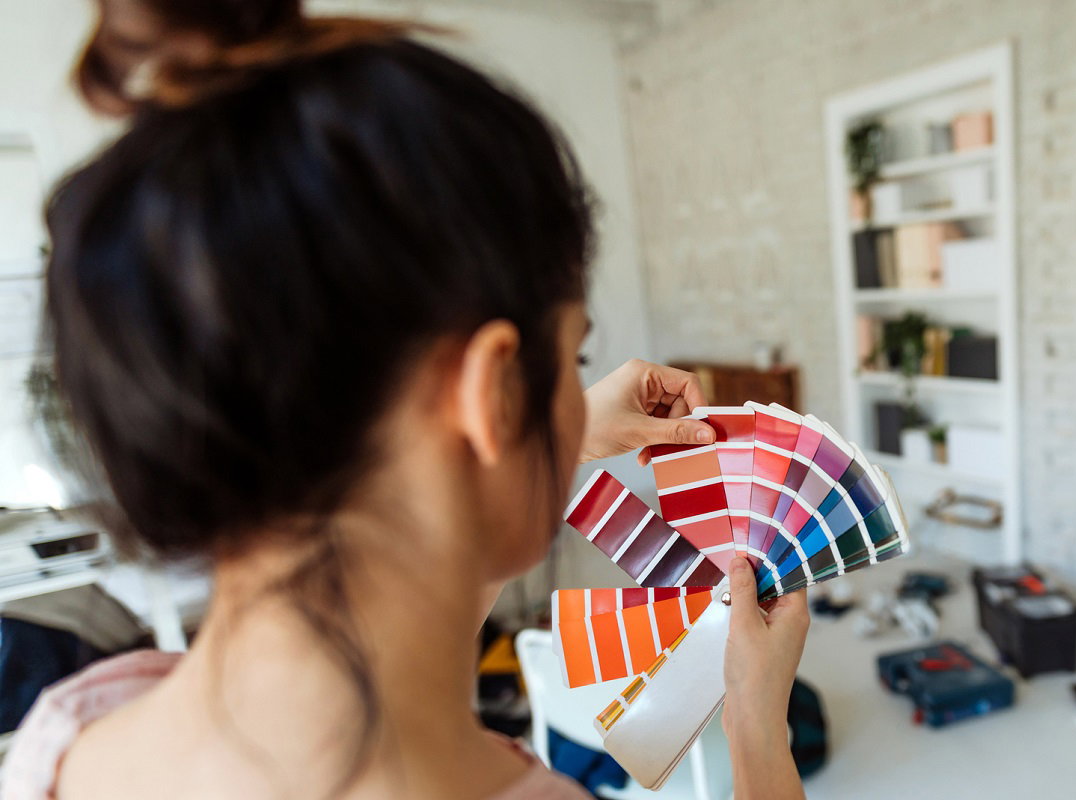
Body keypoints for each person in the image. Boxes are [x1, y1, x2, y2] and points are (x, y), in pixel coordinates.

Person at [1, 3, 810, 798]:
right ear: (489, 390)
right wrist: (755, 729)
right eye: (574, 356)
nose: (575, 392)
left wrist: (554, 434)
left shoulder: (69, 738)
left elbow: (390, 645)